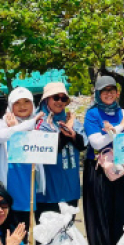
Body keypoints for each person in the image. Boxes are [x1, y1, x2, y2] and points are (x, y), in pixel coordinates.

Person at [81, 75, 124, 245]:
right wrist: (119, 128)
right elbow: (96, 143)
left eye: (112, 90)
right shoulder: (92, 114)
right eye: (104, 91)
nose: (109, 94)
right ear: (97, 93)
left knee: (121, 215)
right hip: (98, 170)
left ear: (117, 92)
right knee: (99, 216)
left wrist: (115, 131)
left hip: (121, 169)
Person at [0, 87, 41, 226]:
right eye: (17, 103)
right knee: (5, 230)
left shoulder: (38, 125)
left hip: (27, 187)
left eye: (26, 101)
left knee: (23, 229)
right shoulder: (0, 124)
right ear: (11, 106)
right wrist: (18, 128)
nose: (22, 106)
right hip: (7, 186)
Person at [37, 81, 86, 214]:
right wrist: (66, 133)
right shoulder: (39, 122)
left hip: (71, 189)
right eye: (56, 98)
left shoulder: (72, 120)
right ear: (46, 99)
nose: (60, 101)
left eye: (63, 99)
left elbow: (83, 145)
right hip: (48, 192)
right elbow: (48, 150)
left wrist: (72, 133)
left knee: (69, 227)